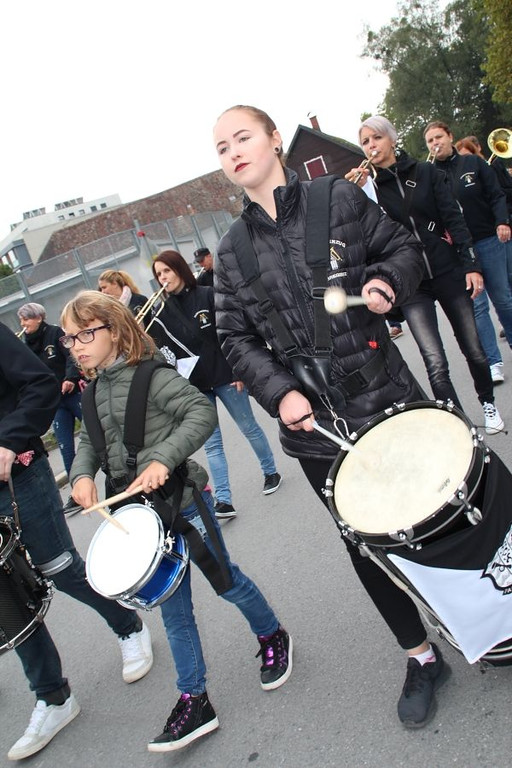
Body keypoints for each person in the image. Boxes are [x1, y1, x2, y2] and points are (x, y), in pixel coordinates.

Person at [212, 104, 449, 730]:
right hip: (316, 434)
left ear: (273, 140)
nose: (233, 152)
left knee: (435, 513)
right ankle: (421, 656)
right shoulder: (230, 251)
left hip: (384, 396)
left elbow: (403, 247)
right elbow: (233, 337)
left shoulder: (335, 198)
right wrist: (279, 393)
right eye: (221, 147)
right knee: (367, 547)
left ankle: (482, 614)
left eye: (242, 137)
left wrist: (387, 283)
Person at [64, 291, 292, 752]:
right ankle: (194, 698)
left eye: (86, 334)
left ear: (115, 330)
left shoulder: (153, 376)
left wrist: (164, 458)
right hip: (140, 516)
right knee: (173, 609)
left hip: (184, 503)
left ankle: (272, 634)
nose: (76, 346)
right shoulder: (92, 392)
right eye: (69, 338)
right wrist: (81, 475)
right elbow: (89, 441)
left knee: (226, 581)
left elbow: (200, 412)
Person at [0, 322, 153, 761]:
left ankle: (128, 626)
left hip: (18, 475)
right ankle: (53, 698)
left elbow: (40, 384)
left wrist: (8, 440)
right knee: (10, 600)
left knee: (60, 569)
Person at [349, 115, 503, 433]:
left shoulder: (425, 172)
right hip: (411, 281)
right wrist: (357, 193)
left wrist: (471, 265)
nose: (371, 145)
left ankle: (488, 403)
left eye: (376, 137)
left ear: (392, 139)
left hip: (447, 269)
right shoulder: (369, 188)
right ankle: (458, 423)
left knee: (473, 347)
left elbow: (453, 218)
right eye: (365, 141)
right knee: (434, 359)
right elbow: (370, 237)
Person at [147, 249, 282, 519]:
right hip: (195, 385)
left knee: (248, 427)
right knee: (212, 444)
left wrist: (239, 370)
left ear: (179, 270)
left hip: (226, 375)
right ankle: (224, 500)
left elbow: (230, 333)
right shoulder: (160, 311)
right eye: (158, 274)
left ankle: (270, 472)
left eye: (167, 271)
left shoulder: (207, 294)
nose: (163, 278)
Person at [424, 121, 512, 380]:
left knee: (503, 299)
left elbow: (496, 195)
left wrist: (502, 221)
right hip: (461, 250)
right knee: (478, 307)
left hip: (488, 239)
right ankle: (493, 362)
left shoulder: (473, 163)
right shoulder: (429, 174)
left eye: (438, 137)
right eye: (430, 140)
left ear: (450, 137)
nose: (435, 143)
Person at [17, 303, 84, 514]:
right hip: (55, 403)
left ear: (38, 318)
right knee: (65, 446)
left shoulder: (55, 333)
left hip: (73, 395)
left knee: (96, 432)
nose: (23, 324)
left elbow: (71, 357)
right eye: (21, 320)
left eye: (26, 319)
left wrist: (70, 378)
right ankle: (77, 493)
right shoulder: (26, 345)